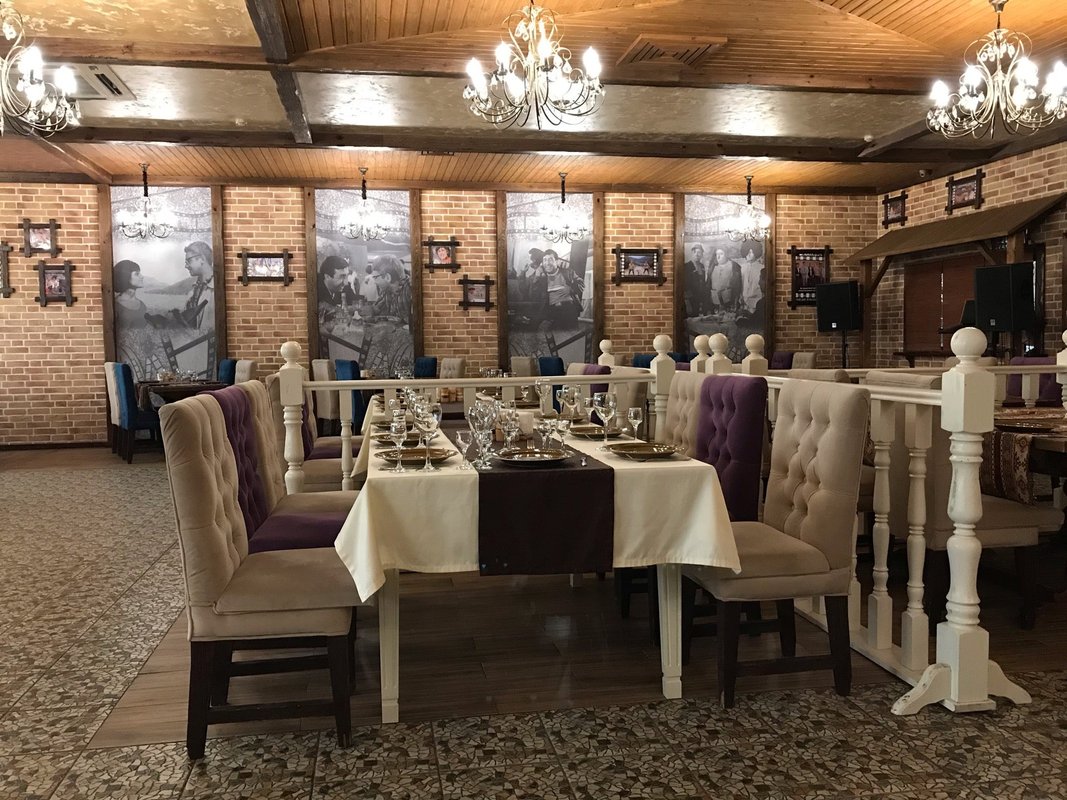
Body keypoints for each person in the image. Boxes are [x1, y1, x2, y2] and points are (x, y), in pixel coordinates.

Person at [542, 248, 580, 327]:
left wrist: (573, 284)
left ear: (556, 261)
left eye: (550, 259)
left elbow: (580, 285)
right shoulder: (543, 278)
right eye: (545, 260)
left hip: (569, 310)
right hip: (552, 312)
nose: (547, 263)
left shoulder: (567, 273)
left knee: (571, 333)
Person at [371, 254, 412, 325]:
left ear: (387, 277)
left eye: (375, 277)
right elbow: (376, 309)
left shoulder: (410, 288)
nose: (374, 282)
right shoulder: (386, 290)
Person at [113, 260, 149, 329]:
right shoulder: (116, 306)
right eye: (137, 274)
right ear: (125, 277)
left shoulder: (142, 306)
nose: (142, 276)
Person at [710, 247, 743, 311]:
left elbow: (738, 286)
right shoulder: (713, 266)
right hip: (715, 303)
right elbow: (709, 284)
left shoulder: (734, 266)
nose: (718, 257)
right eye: (717, 254)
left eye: (721, 254)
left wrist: (735, 303)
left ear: (726, 255)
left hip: (729, 303)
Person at [739, 242, 764, 316]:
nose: (749, 255)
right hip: (744, 302)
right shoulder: (742, 268)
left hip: (757, 301)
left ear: (756, 252)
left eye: (751, 252)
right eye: (747, 252)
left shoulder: (762, 268)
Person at [684, 244, 709, 316]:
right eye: (695, 252)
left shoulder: (702, 266)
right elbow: (685, 285)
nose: (697, 254)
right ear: (692, 253)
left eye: (699, 252)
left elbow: (703, 282)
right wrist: (688, 301)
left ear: (702, 255)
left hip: (700, 297)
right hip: (690, 298)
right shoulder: (687, 266)